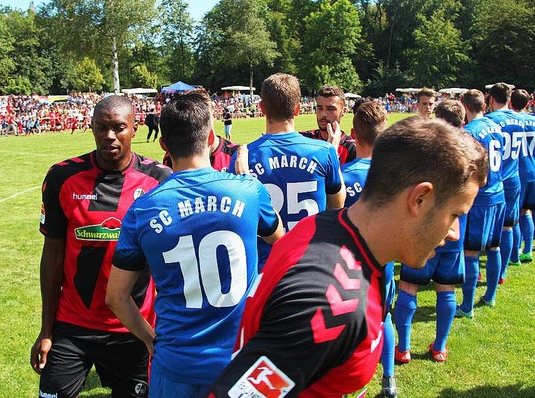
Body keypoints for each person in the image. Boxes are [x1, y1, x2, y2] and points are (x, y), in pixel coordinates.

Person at [208, 116, 487, 398]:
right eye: (454, 215)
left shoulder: (327, 226)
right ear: (420, 199)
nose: (454, 233)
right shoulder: (330, 307)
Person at [105, 93, 284, 398]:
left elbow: (116, 297)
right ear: (212, 136)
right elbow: (281, 243)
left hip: (176, 364)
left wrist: (151, 340)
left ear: (163, 145)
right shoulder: (249, 191)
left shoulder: (142, 210)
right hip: (243, 360)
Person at [30, 96, 171, 398]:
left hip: (132, 328)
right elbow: (53, 255)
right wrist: (46, 330)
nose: (109, 136)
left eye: (119, 127)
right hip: (72, 325)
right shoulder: (62, 177)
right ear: (91, 128)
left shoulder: (160, 180)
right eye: (101, 127)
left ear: (135, 128)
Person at [230, 73, 346, 270]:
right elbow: (337, 206)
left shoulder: (243, 157)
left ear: (261, 109)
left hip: (266, 269)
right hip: (311, 264)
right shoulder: (324, 152)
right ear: (298, 109)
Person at [394, 100, 469, 366]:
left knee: (409, 287)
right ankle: (439, 348)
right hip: (453, 232)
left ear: (439, 119)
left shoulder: (427, 152)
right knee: (445, 288)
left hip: (425, 233)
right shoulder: (470, 154)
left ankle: (403, 349)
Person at [340, 101, 395, 397]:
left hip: (348, 267)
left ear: (353, 134)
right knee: (385, 317)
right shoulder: (393, 178)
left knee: (346, 328)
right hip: (383, 265)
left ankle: (352, 385)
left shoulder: (342, 177)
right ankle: (389, 381)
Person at [457, 89, 506, 318]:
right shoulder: (496, 126)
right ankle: (491, 295)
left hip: (481, 197)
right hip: (500, 192)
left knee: (471, 252)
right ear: (484, 104)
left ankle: (466, 306)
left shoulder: (469, 132)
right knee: (494, 247)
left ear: (463, 105)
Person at [485, 83, 525, 294]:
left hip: (495, 181)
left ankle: (490, 272)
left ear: (491, 100)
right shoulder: (520, 119)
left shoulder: (489, 121)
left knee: (490, 234)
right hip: (514, 177)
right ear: (509, 99)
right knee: (508, 227)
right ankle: (502, 273)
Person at [163, 90, 239, 172]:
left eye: (205, 113)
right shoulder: (175, 156)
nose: (201, 118)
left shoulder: (236, 155)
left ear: (213, 115)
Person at [301, 85, 357, 165]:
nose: (323, 114)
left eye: (330, 109)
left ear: (344, 111)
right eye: (320, 108)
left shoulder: (351, 148)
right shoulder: (304, 140)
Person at [510, 89, 535, 263]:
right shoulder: (533, 120)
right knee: (527, 211)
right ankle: (527, 250)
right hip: (533, 169)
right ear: (528, 103)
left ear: (511, 102)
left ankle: (516, 252)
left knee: (516, 213)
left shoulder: (512, 121)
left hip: (519, 171)